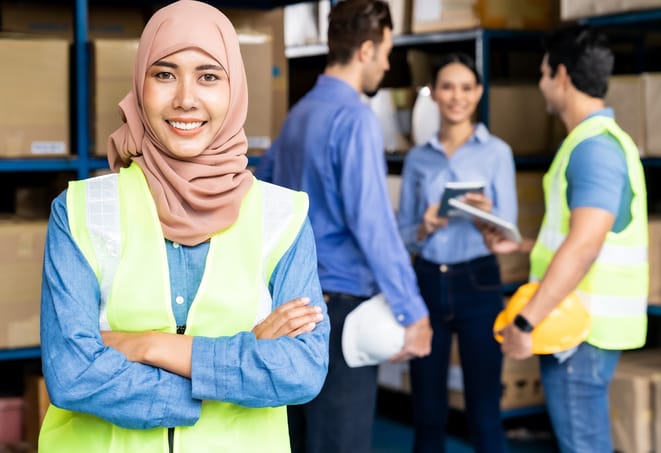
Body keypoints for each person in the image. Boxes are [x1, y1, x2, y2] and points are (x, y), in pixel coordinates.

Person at [38, 1, 329, 452]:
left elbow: (301, 370)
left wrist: (151, 346)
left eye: (209, 76)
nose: (186, 98)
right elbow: (72, 375)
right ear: (140, 85)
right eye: (164, 74)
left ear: (235, 88)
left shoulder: (282, 216)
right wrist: (236, 364)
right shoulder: (80, 211)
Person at [255, 0, 432, 451]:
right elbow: (372, 225)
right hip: (339, 313)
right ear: (367, 50)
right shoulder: (355, 118)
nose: (388, 64)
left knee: (297, 438)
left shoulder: (296, 118)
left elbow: (261, 201)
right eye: (388, 52)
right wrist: (413, 311)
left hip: (288, 307)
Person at [483, 25, 648, 453]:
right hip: (581, 328)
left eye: (541, 73)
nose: (539, 84)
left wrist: (525, 322)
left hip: (581, 332)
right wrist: (521, 246)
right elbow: (585, 234)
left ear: (560, 75)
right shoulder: (597, 142)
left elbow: (586, 244)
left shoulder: (594, 148)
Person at [397, 52, 516, 453]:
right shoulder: (418, 158)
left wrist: (489, 218)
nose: (457, 97)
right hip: (427, 280)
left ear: (479, 93)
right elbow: (402, 235)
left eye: (466, 88)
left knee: (484, 412)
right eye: (447, 87)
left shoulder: (497, 152)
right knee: (428, 413)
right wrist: (425, 226)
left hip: (478, 279)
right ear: (434, 94)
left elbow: (509, 230)